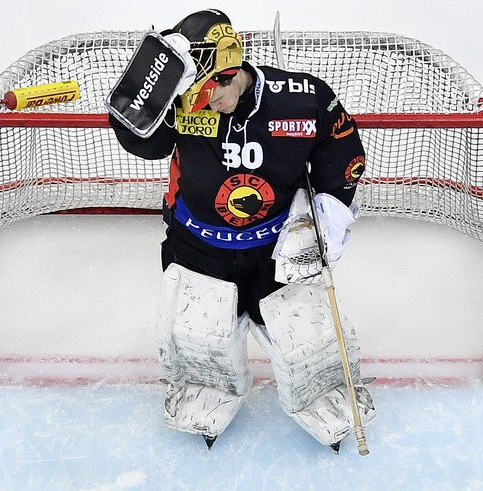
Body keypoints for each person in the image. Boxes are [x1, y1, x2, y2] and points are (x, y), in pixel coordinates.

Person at [107, 9, 375, 450]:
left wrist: (330, 211)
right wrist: (146, 83)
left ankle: (328, 397)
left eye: (219, 89)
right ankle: (206, 397)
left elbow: (341, 146)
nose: (210, 103)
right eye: (198, 93)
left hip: (276, 249)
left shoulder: (302, 98)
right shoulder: (181, 98)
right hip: (198, 247)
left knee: (312, 340)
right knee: (199, 337)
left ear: (236, 70)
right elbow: (142, 142)